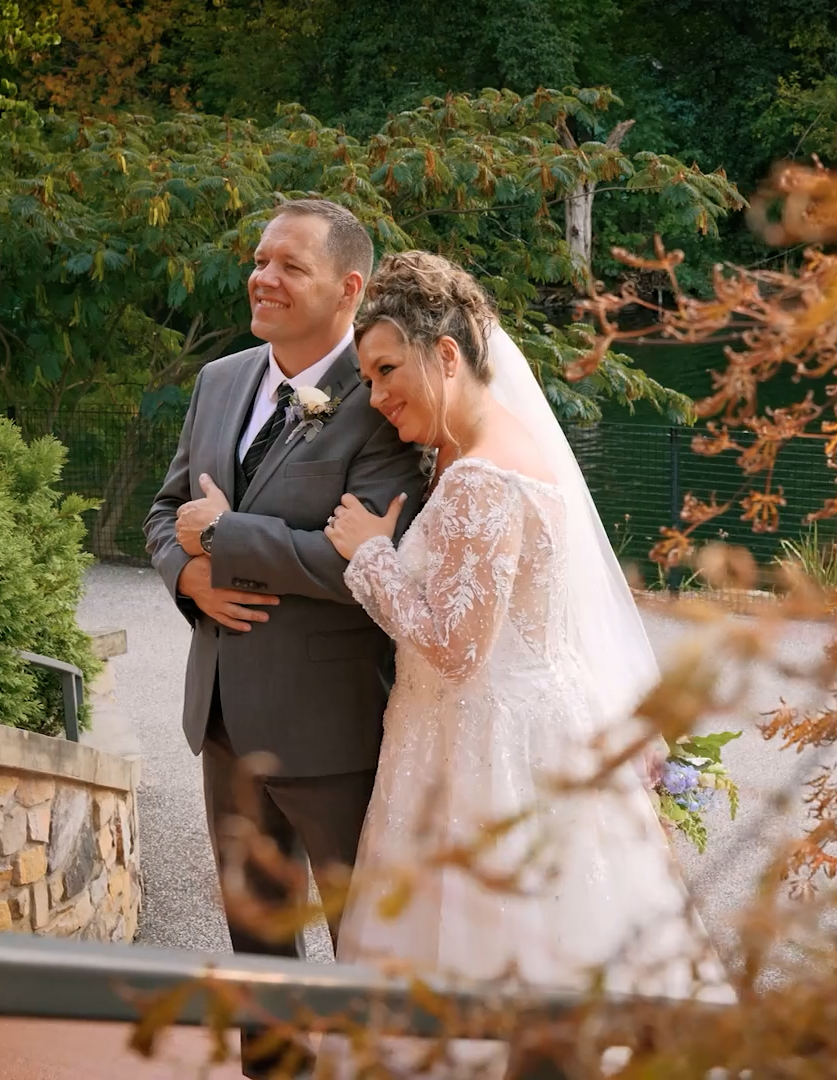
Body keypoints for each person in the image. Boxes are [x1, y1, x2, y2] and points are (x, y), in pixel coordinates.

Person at [317, 252, 733, 1077]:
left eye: (387, 368)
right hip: (522, 734)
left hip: (488, 757)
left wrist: (370, 558)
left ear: (445, 354)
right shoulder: (492, 453)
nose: (375, 394)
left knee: (500, 985)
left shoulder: (481, 477)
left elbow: (456, 648)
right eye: (365, 377)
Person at [144, 199, 425, 1077]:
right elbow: (166, 514)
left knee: (365, 947)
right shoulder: (220, 380)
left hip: (334, 729)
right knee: (254, 950)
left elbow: (369, 564)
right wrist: (187, 577)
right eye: (260, 259)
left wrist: (225, 541)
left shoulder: (385, 395)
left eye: (288, 266)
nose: (262, 277)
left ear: (349, 287)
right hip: (224, 719)